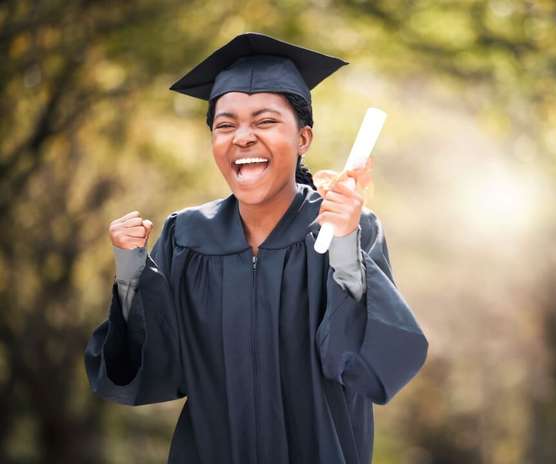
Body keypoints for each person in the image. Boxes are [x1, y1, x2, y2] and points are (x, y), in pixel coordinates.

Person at [83, 32, 428, 464]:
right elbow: (152, 365)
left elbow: (375, 363)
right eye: (225, 124)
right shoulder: (186, 236)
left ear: (303, 139)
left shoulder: (346, 227)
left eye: (265, 122)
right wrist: (131, 269)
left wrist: (343, 248)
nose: (242, 137)